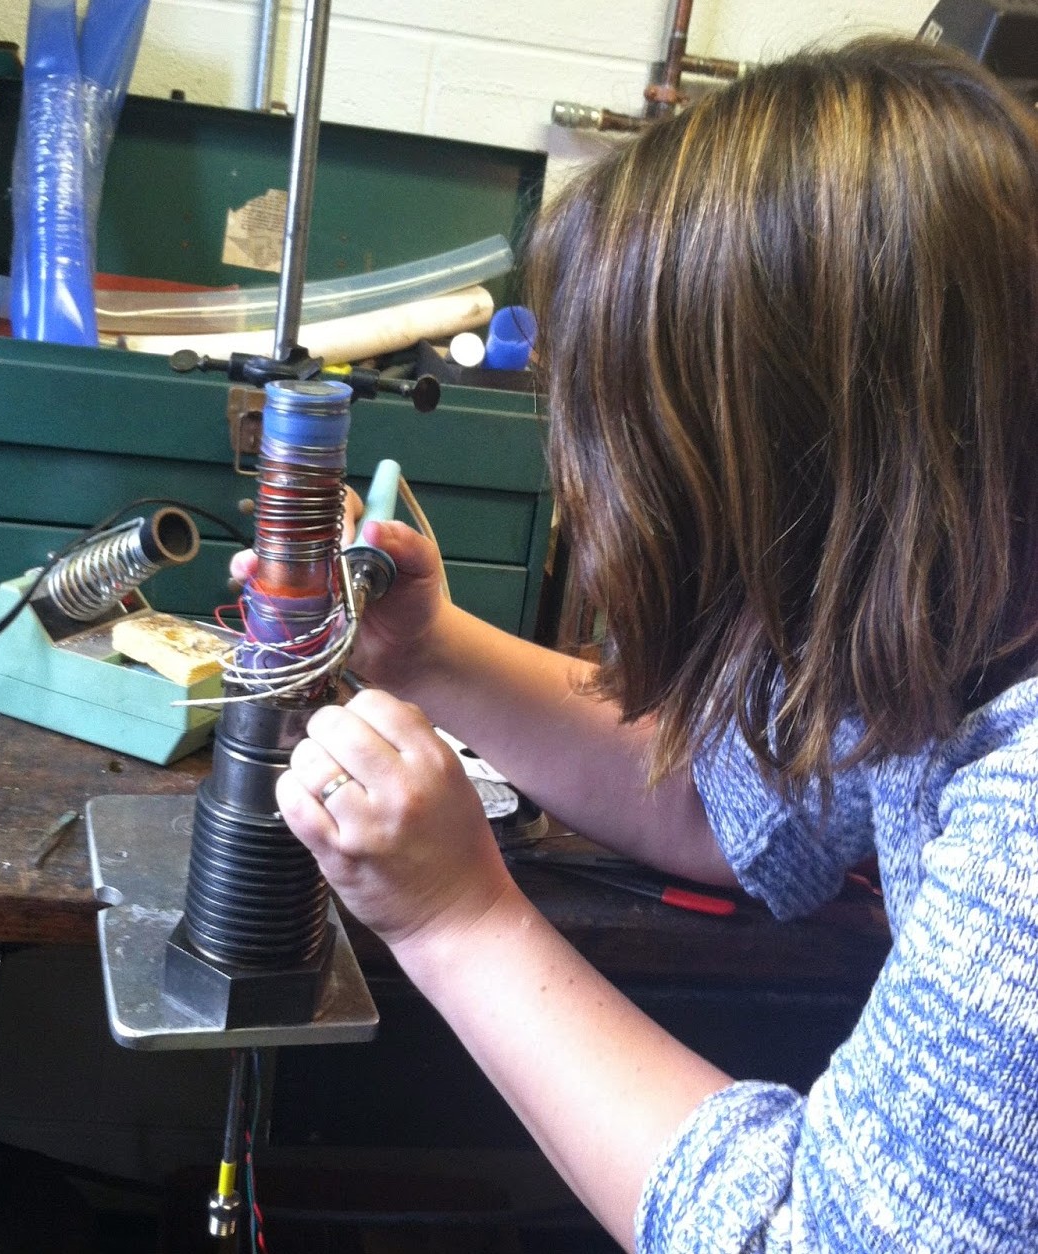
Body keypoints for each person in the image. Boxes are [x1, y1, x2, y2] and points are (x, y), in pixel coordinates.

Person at [235, 36, 1038, 1251]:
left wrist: (456, 919)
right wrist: (432, 652)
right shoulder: (965, 611)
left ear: (798, 467)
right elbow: (743, 811)